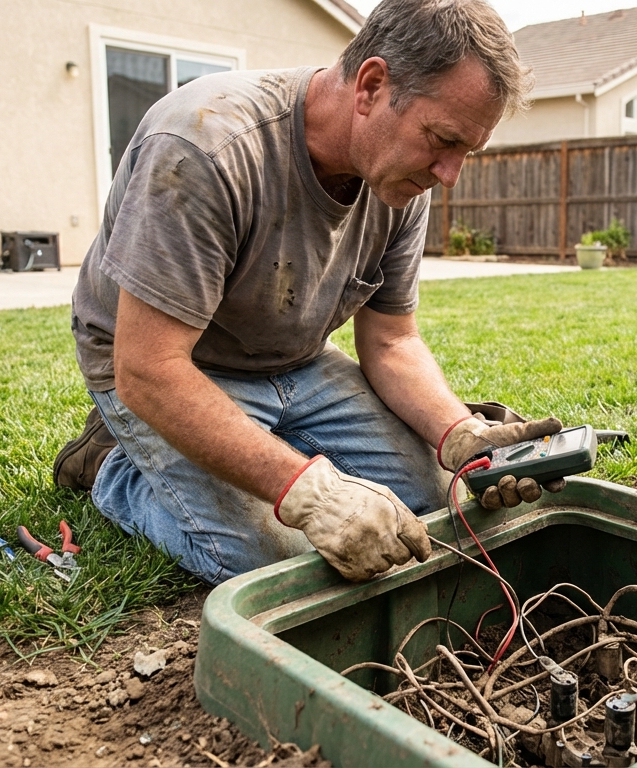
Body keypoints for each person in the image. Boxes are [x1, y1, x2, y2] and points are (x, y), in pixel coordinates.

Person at [54, 0, 564, 585]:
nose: (449, 174)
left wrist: (459, 433)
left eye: (465, 152)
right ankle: (114, 468)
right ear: (372, 85)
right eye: (442, 140)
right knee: (286, 555)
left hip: (296, 361)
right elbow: (148, 368)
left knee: (438, 499)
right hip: (173, 367)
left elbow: (393, 340)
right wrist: (309, 495)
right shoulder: (205, 147)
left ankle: (256, 442)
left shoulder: (399, 179)